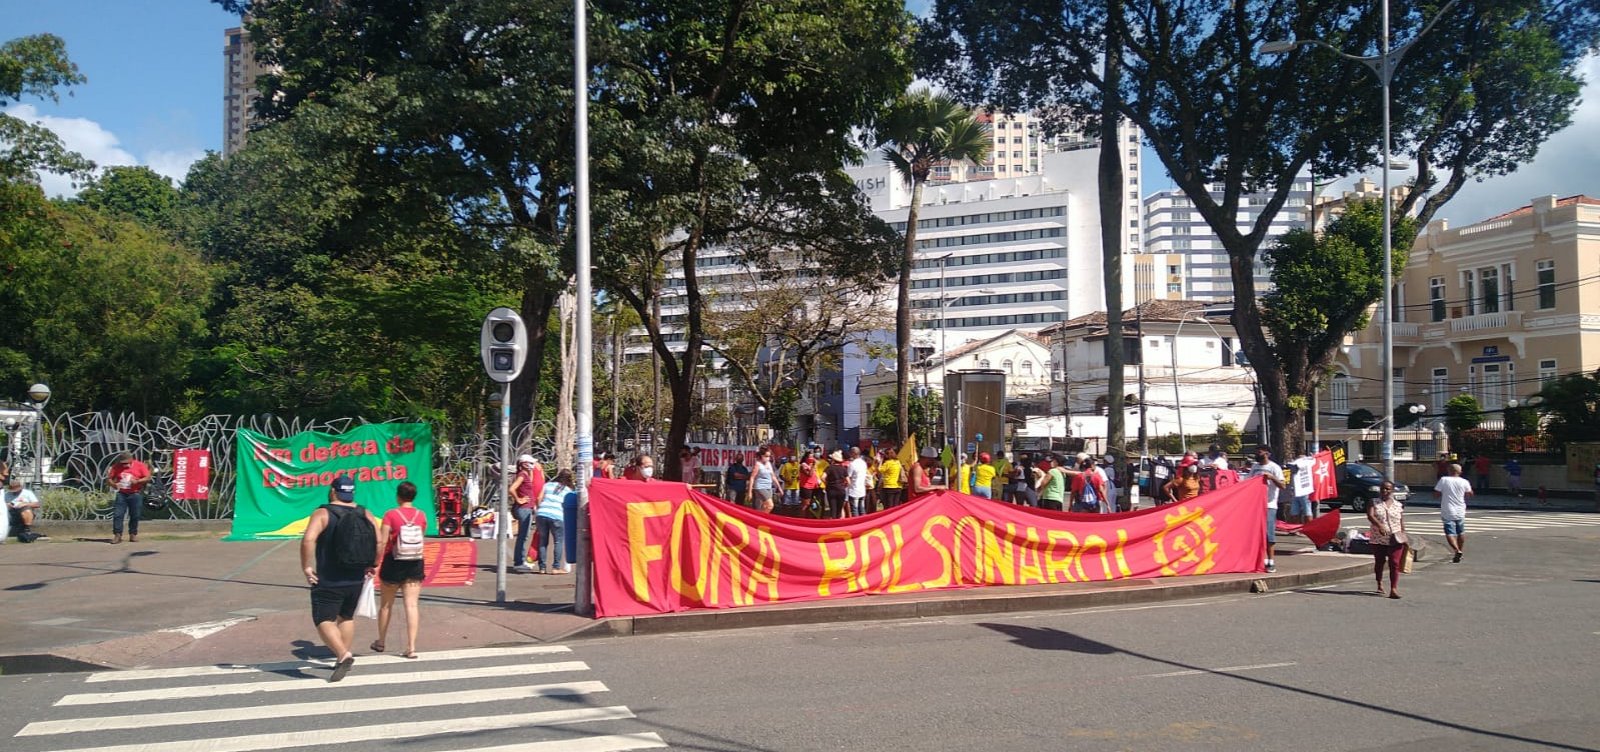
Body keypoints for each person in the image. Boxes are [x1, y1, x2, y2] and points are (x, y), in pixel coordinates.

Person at [299, 474, 379, 682]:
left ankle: (343, 654)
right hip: (356, 577)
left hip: (329, 577)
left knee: (323, 618)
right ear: (351, 492)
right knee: (346, 616)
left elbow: (308, 540)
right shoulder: (365, 513)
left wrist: (307, 566)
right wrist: (373, 564)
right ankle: (341, 656)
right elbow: (379, 540)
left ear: (333, 490)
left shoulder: (323, 513)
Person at [372, 480, 426, 659]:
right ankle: (411, 647)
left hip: (393, 562)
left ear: (398, 496)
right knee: (411, 605)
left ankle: (381, 641)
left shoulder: (390, 515)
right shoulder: (421, 515)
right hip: (415, 561)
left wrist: (375, 562)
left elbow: (382, 541)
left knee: (386, 605)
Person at [1366, 480, 1409, 599]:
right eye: (1383, 489)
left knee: (1394, 563)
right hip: (1378, 538)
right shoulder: (1374, 502)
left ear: (1392, 490)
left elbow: (1401, 521)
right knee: (1380, 562)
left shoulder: (1398, 505)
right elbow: (1370, 515)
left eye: (1388, 489)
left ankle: (1393, 588)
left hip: (1395, 538)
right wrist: (1379, 525)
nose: (1385, 491)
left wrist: (1404, 535)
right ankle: (1379, 583)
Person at [1249, 445, 1286, 573]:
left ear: (1267, 454)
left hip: (1269, 505)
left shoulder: (1274, 467)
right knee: (1256, 533)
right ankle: (1259, 559)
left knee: (1268, 534)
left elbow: (1283, 485)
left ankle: (1271, 561)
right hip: (1255, 505)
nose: (1257, 454)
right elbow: (1248, 483)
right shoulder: (1254, 467)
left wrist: (1272, 477)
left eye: (1259, 452)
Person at [107, 452, 152, 544]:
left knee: (135, 515)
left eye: (126, 463)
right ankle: (117, 535)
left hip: (135, 493)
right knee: (118, 514)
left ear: (132, 460)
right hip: (122, 493)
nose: (124, 465)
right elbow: (109, 479)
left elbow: (148, 477)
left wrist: (138, 481)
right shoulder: (116, 466)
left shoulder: (140, 465)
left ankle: (133, 534)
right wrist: (114, 485)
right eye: (123, 463)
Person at [509, 455, 543, 574]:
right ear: (523, 463)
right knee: (523, 536)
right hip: (524, 508)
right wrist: (519, 499)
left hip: (527, 508)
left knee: (524, 536)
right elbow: (512, 489)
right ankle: (519, 562)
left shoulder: (526, 474)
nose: (532, 465)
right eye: (530, 463)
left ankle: (519, 561)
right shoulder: (522, 475)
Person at [536, 469, 573, 574]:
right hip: (557, 516)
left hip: (542, 513)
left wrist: (540, 509)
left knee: (543, 541)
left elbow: (539, 498)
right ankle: (555, 567)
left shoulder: (548, 485)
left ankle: (542, 568)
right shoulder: (568, 491)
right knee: (558, 541)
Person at [1434, 462, 1473, 563]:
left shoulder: (1444, 480)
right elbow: (1470, 493)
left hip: (1448, 509)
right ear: (1460, 471)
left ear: (1449, 471)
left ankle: (1457, 550)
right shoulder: (1464, 481)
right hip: (1460, 509)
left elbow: (1436, 494)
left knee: (1450, 532)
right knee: (1460, 531)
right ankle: (1460, 550)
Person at [5, 477, 44, 543]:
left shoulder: (27, 493)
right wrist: (7, 505)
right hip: (10, 512)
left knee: (26, 511)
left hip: (23, 511)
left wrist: (25, 504)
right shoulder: (7, 494)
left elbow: (37, 504)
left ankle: (27, 529)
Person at [824, 449, 851, 518]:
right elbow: (848, 481)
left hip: (831, 490)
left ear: (833, 459)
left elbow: (822, 477)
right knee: (839, 510)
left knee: (833, 510)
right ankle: (839, 525)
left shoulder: (829, 468)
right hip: (841, 490)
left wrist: (827, 483)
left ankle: (833, 525)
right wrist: (844, 485)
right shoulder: (843, 469)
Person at [749, 448, 777, 513]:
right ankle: (761, 519)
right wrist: (750, 491)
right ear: (761, 456)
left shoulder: (769, 464)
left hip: (768, 486)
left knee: (764, 506)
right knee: (770, 505)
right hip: (760, 487)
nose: (768, 458)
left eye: (769, 456)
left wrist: (779, 487)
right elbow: (752, 477)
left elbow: (773, 476)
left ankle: (760, 519)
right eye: (766, 456)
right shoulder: (758, 464)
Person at [846, 447, 869, 517]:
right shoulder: (863, 463)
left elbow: (848, 476)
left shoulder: (852, 464)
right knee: (862, 508)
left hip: (854, 490)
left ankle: (857, 525)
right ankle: (864, 523)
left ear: (853, 453)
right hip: (862, 489)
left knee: (854, 509)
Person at [798, 449, 822, 516]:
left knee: (812, 504)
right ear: (806, 458)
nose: (811, 459)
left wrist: (817, 481)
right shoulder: (803, 465)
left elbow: (814, 475)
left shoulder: (812, 465)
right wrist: (813, 465)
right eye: (810, 457)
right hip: (806, 487)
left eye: (812, 457)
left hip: (813, 486)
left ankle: (808, 518)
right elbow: (809, 474)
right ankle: (802, 520)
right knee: (805, 504)